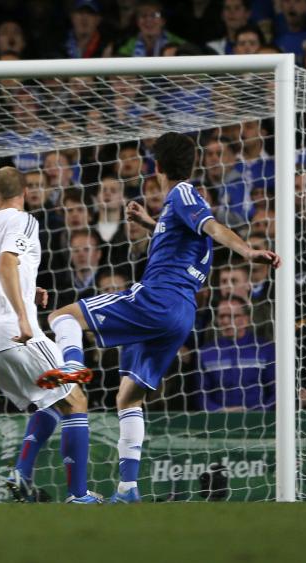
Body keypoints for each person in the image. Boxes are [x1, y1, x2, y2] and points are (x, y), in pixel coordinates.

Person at [43, 132, 281, 503]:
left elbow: (213, 228)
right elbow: (191, 237)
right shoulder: (178, 209)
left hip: (157, 299)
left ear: (156, 168)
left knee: (63, 316)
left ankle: (72, 378)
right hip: (181, 315)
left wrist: (247, 251)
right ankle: (128, 489)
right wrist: (152, 223)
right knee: (128, 397)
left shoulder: (184, 193)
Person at [0, 167, 99, 504]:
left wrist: (24, 288)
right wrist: (23, 315)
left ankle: (21, 474)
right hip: (15, 332)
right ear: (25, 191)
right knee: (76, 397)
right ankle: (78, 495)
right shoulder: (23, 220)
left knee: (49, 399)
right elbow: (7, 263)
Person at [197, 296, 275, 412]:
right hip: (217, 423)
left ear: (246, 320)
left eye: (233, 316)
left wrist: (258, 414)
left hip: (260, 422)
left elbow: (277, 391)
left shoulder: (266, 349)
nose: (226, 321)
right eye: (222, 316)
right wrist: (221, 411)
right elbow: (200, 395)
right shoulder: (205, 353)